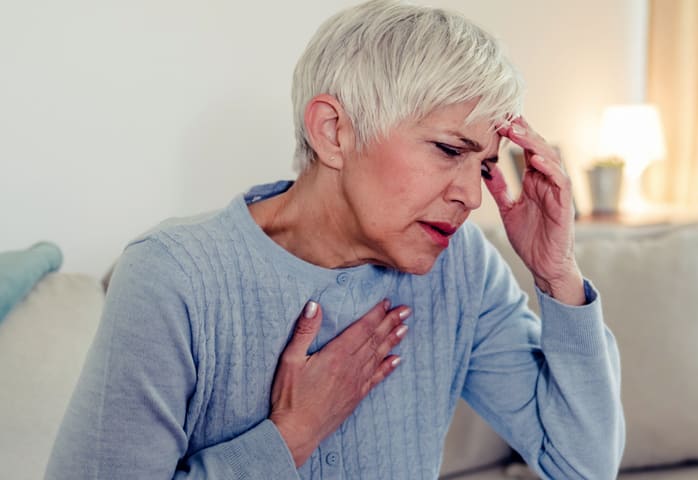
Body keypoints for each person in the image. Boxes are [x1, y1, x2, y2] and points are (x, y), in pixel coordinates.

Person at [46, 0, 624, 478]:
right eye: (449, 150)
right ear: (334, 131)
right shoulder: (174, 276)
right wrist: (289, 437)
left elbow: (583, 466)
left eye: (483, 165)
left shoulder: (462, 267)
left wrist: (557, 276)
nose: (472, 197)